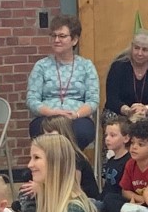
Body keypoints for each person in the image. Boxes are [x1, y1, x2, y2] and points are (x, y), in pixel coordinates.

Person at [27, 15, 100, 145]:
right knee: (39, 129)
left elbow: (93, 100)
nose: (56, 40)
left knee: (81, 132)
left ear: (74, 40)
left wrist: (76, 114)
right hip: (48, 117)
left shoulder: (86, 66)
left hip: (77, 118)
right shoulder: (41, 66)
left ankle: (74, 164)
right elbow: (32, 100)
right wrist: (52, 112)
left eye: (62, 36)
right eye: (53, 36)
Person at [106, 31, 148, 153]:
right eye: (136, 48)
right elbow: (112, 99)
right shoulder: (118, 65)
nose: (139, 53)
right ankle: (113, 165)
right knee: (114, 124)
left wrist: (145, 109)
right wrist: (128, 110)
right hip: (121, 111)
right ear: (131, 47)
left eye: (145, 50)